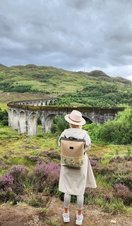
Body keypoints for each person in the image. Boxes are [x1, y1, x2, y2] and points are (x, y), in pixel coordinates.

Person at [58, 110, 97, 225]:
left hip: (66, 163)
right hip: (80, 164)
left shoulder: (64, 133)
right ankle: (79, 216)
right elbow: (88, 147)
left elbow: (59, 145)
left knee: (67, 190)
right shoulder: (85, 135)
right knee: (80, 191)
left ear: (70, 122)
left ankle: (66, 214)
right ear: (80, 123)